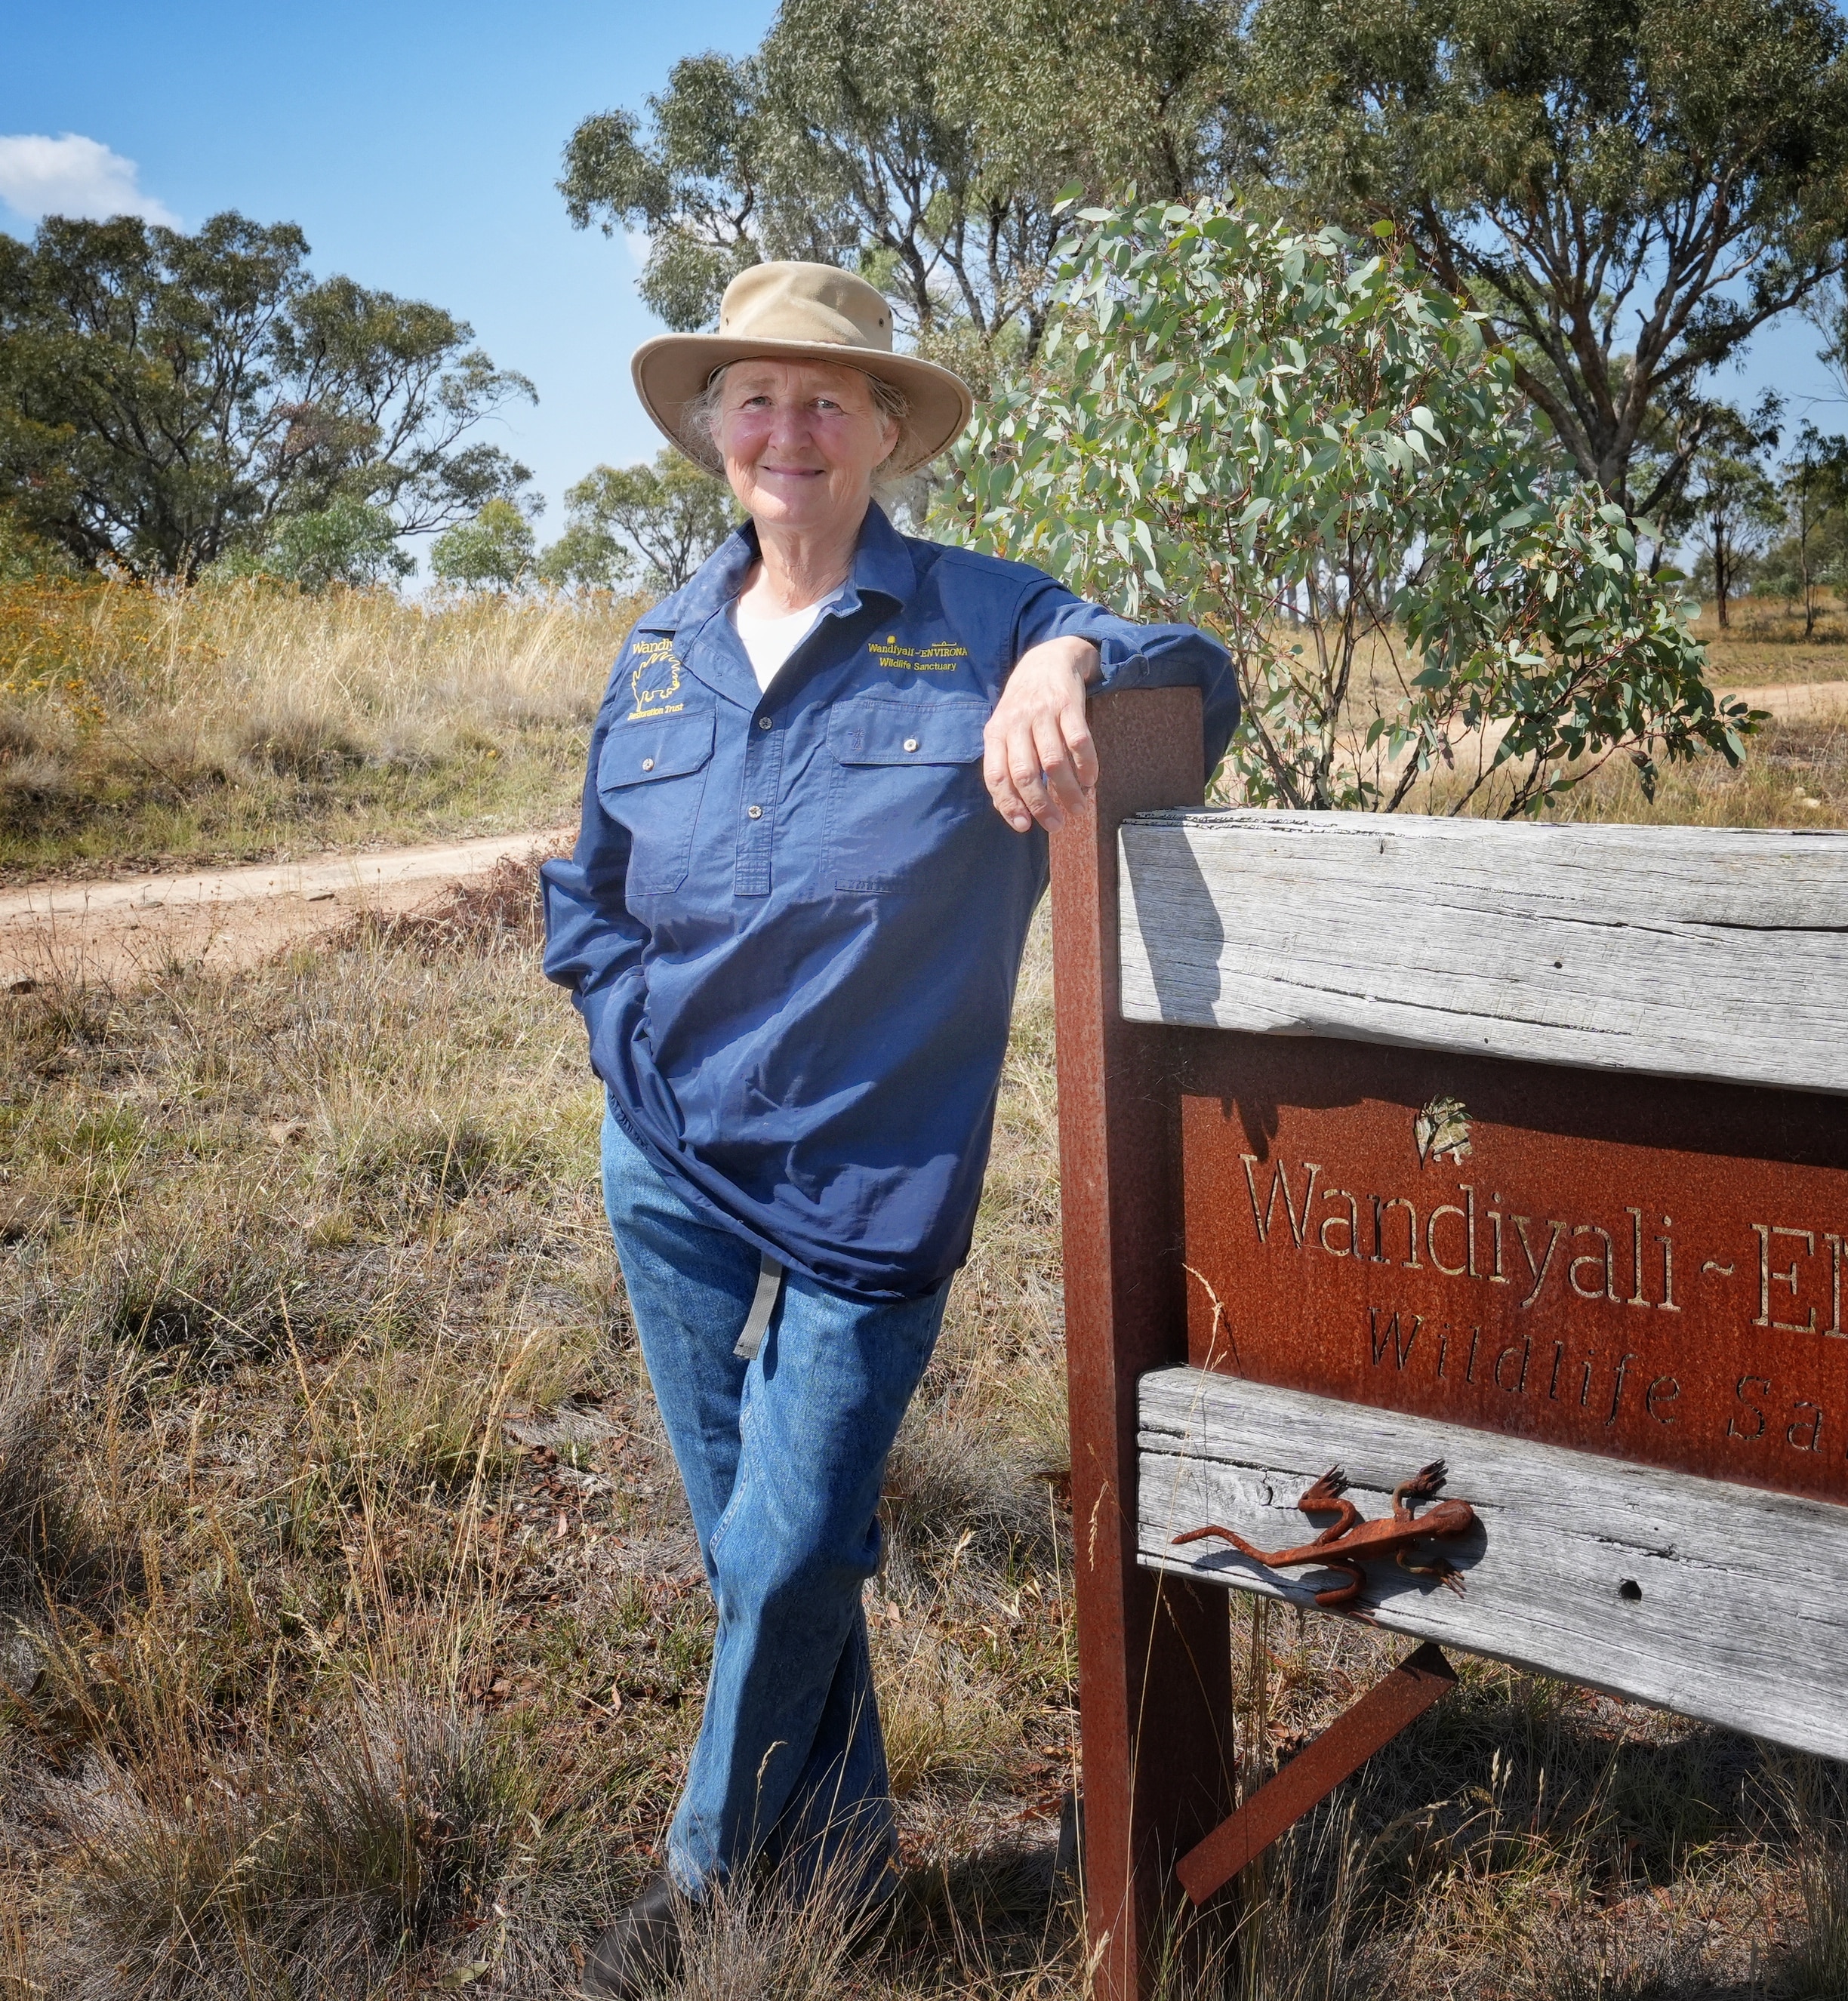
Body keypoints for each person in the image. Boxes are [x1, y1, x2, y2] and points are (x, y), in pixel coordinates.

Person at [541, 261, 1236, 1995]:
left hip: (873, 1186)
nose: (791, 430)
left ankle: (702, 1888)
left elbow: (1196, 675)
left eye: (829, 401)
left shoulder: (988, 614)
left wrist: (1071, 656)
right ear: (714, 431)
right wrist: (637, 1046)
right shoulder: (655, 650)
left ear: (886, 434)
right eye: (757, 399)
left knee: (786, 1550)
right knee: (762, 1558)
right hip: (671, 1178)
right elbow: (589, 894)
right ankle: (844, 1862)